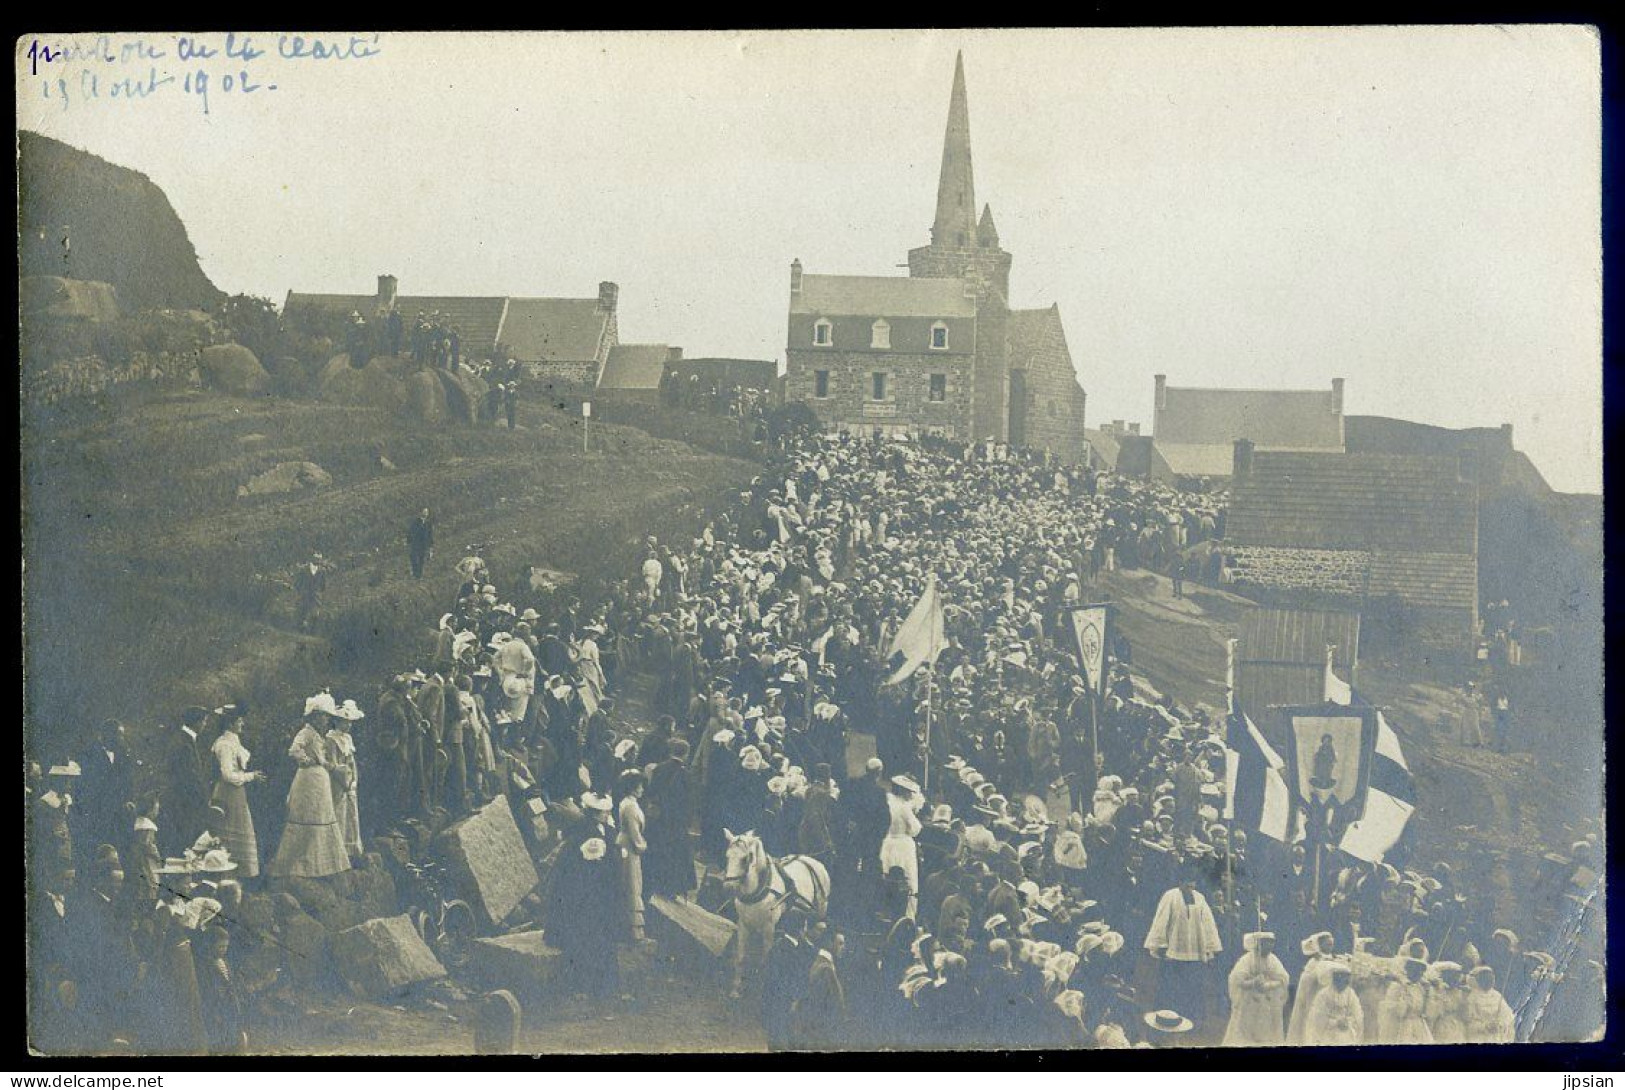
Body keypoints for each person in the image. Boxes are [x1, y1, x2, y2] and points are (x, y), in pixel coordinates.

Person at [546, 793, 624, 1001]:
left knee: (599, 937)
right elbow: (591, 868)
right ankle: (589, 986)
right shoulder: (588, 833)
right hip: (588, 893)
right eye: (605, 812)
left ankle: (601, 985)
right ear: (595, 814)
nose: (608, 815)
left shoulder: (602, 829)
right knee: (589, 938)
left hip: (597, 892)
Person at [266, 694, 352, 879]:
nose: (326, 720)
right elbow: (293, 749)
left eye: (327, 717)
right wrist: (306, 760)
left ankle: (320, 865)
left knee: (321, 815)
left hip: (319, 778)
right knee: (308, 816)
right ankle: (302, 864)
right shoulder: (306, 732)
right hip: (308, 778)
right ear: (314, 716)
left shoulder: (316, 734)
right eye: (323, 716)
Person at [1143, 874, 1223, 1030]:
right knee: (1172, 985)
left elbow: (1208, 924)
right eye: (1186, 881)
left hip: (1195, 950)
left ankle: (1191, 1019)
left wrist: (1210, 948)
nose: (1189, 885)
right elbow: (1161, 920)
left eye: (1192, 882)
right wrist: (1160, 944)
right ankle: (1167, 1019)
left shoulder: (1200, 898)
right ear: (1180, 881)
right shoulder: (1170, 896)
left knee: (1192, 985)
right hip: (1174, 950)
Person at [208, 703, 265, 879]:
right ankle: (226, 873)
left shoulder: (233, 741)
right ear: (231, 723)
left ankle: (238, 875)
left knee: (238, 829)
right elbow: (227, 774)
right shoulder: (224, 744)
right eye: (239, 721)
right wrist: (251, 776)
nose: (242, 724)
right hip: (227, 793)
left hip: (236, 793)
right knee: (228, 832)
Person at [642, 739, 696, 900]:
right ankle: (669, 888)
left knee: (656, 848)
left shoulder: (660, 767)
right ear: (685, 754)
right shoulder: (685, 774)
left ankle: (652, 881)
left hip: (658, 818)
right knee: (674, 854)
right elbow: (688, 801)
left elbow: (651, 791)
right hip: (675, 820)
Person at [1222, 931, 1289, 1046]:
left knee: (1268, 1031)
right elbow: (1237, 980)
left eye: (1271, 943)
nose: (1270, 946)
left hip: (1268, 1002)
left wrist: (1270, 985)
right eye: (1266, 943)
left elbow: (1283, 978)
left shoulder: (1273, 959)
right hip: (1250, 1002)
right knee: (1247, 1031)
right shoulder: (1247, 960)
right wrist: (1253, 982)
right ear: (1258, 944)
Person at [795, 927, 848, 1048]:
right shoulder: (825, 968)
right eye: (840, 943)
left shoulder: (822, 963)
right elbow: (825, 1004)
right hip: (822, 1034)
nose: (843, 947)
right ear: (829, 943)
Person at [880, 775, 924, 919]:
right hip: (903, 844)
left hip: (887, 842)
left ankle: (887, 910)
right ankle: (908, 915)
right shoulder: (904, 807)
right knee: (908, 879)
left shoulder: (888, 801)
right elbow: (915, 829)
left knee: (887, 875)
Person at [326, 700, 365, 860]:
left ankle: (351, 850)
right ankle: (337, 851)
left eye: (350, 722)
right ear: (336, 721)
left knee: (351, 813)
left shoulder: (347, 738)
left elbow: (351, 760)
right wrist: (345, 779)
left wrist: (354, 778)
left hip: (349, 780)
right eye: (345, 722)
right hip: (338, 780)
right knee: (339, 812)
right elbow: (333, 764)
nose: (348, 726)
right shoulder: (331, 739)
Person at [616, 770, 651, 944]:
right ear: (632, 787)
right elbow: (634, 831)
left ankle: (629, 926)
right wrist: (642, 846)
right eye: (639, 785)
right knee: (631, 883)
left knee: (631, 882)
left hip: (628, 844)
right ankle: (632, 929)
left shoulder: (630, 803)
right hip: (629, 846)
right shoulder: (629, 806)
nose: (642, 789)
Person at [1303, 962, 1364, 1046]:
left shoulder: (1351, 994)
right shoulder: (1323, 994)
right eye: (1339, 977)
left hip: (1346, 1030)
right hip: (1327, 1031)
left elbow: (1358, 1015)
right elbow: (1318, 1017)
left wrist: (1348, 1022)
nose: (1344, 981)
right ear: (1334, 978)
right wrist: (1335, 1022)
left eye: (1346, 978)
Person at [1378, 956, 1435, 1043]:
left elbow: (1427, 1012)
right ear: (1408, 970)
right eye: (1415, 970)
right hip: (1403, 1027)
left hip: (1420, 1027)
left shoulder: (1421, 988)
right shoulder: (1397, 986)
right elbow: (1396, 1011)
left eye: (1421, 971)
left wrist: (1428, 995)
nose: (1419, 973)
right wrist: (1404, 995)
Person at [1463, 965, 1516, 1043]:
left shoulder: (1497, 996)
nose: (1489, 980)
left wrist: (1500, 1024)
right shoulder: (1469, 997)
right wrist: (1485, 1027)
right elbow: (1466, 1022)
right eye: (1484, 977)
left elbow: (1508, 1017)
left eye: (1490, 977)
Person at [407, 508, 434, 580]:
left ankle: (419, 575)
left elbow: (430, 535)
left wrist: (431, 547)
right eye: (424, 512)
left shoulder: (428, 523)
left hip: (424, 545)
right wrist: (409, 541)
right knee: (414, 559)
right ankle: (415, 574)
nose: (426, 513)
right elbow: (410, 532)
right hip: (415, 544)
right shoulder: (415, 522)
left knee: (421, 560)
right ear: (421, 512)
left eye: (427, 512)